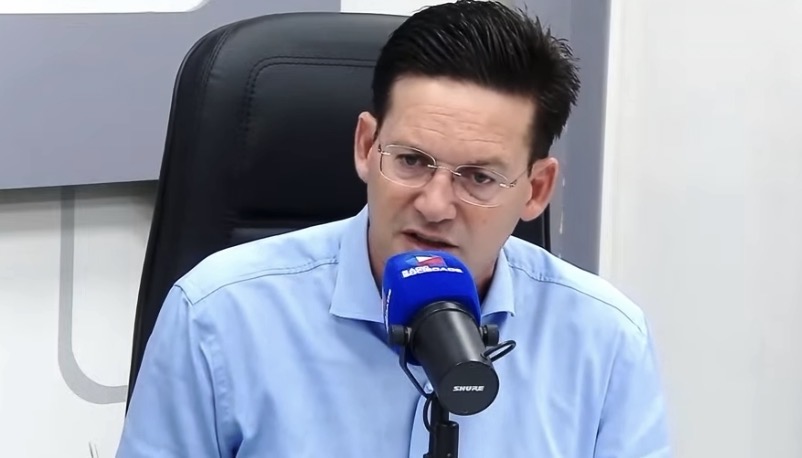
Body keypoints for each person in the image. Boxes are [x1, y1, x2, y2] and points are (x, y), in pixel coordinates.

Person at [117, 1, 671, 457]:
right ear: (366, 146)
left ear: (536, 190)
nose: (434, 204)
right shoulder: (218, 314)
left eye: (478, 177)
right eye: (411, 161)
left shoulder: (604, 340)